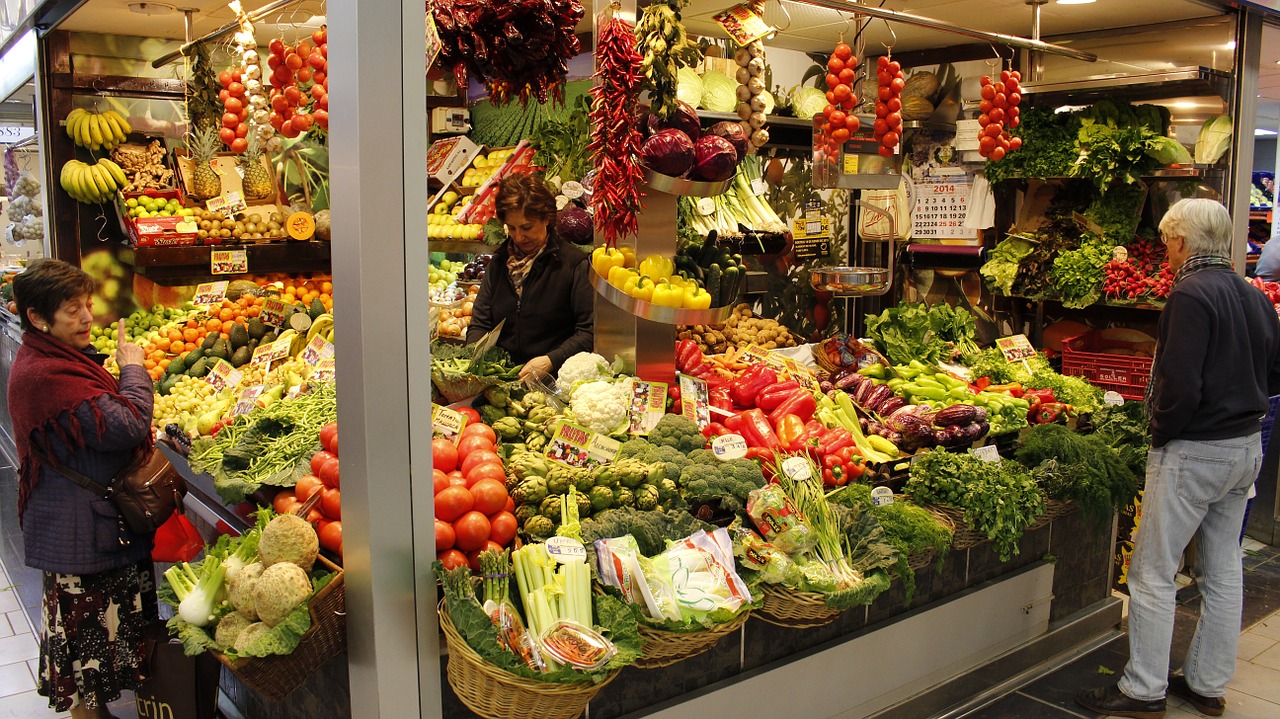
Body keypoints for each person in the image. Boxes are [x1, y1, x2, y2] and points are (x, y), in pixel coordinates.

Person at [1077, 199, 1280, 719]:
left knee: (1151, 573)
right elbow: (1275, 373)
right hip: (1244, 448)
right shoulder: (1252, 293)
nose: (1165, 252)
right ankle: (1207, 684)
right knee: (1223, 569)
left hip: (1194, 451)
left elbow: (1180, 384)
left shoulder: (1190, 296)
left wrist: (1162, 431)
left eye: (1167, 241)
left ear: (1183, 242)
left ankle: (1143, 689)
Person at [8, 259, 157, 719]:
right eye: (73, 310)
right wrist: (133, 370)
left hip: (87, 524)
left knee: (98, 647)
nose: (88, 318)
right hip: (80, 534)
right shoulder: (46, 375)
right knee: (86, 649)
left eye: (88, 305)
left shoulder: (54, 357)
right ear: (37, 317)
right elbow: (129, 424)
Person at [465, 172, 593, 380]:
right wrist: (474, 359)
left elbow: (588, 332)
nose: (518, 237)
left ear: (546, 218)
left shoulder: (573, 264)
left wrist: (551, 360)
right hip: (501, 379)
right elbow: (481, 323)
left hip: (554, 381)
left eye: (526, 227)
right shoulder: (498, 264)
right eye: (512, 228)